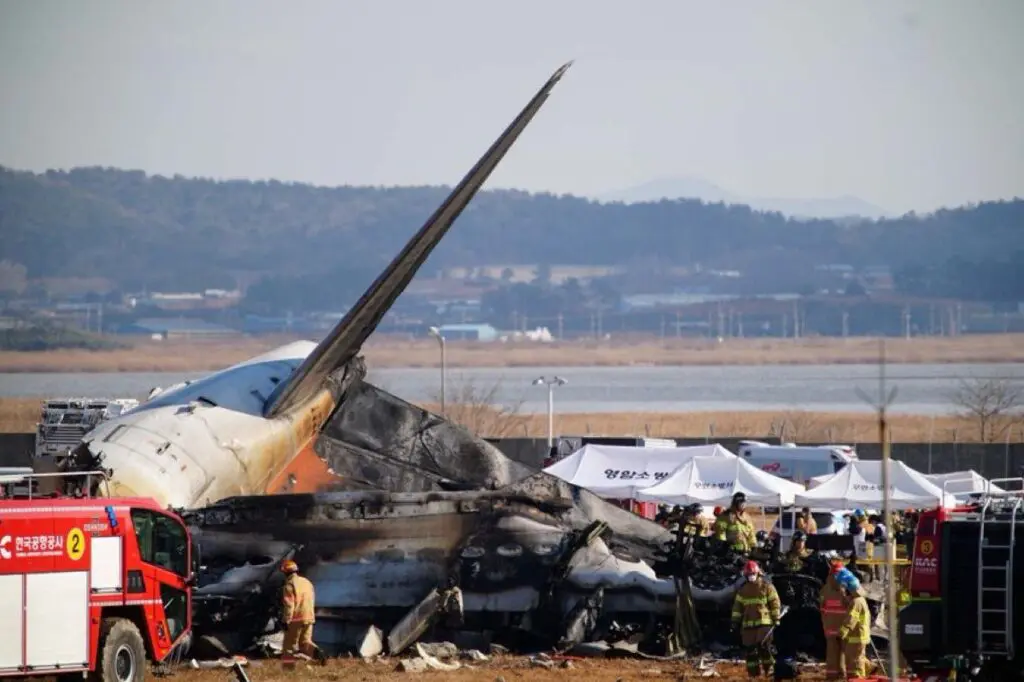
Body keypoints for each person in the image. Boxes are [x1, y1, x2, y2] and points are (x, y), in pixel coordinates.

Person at [731, 560, 782, 679]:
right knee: (751, 652)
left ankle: (770, 671)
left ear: (758, 573)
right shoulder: (743, 590)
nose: (751, 577)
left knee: (764, 648)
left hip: (764, 623)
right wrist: (735, 621)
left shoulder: (766, 587)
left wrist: (776, 618)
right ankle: (753, 674)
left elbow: (775, 603)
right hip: (748, 625)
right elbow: (737, 607)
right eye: (748, 575)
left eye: (752, 574)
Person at [280, 559, 326, 663]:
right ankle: (320, 654)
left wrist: (286, 620)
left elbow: (289, 605)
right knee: (305, 642)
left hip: (296, 618)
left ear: (286, 572)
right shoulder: (307, 582)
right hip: (309, 616)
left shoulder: (289, 585)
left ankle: (288, 670)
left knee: (289, 647)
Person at [837, 568, 871, 679]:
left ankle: (858, 678)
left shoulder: (856, 602)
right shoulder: (860, 600)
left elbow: (851, 619)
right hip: (861, 635)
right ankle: (871, 667)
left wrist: (842, 632)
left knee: (855, 661)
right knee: (860, 657)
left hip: (856, 637)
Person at [819, 560, 848, 680]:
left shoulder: (824, 589)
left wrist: (825, 624)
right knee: (845, 653)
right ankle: (842, 674)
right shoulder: (845, 588)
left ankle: (832, 675)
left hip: (830, 626)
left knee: (832, 653)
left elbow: (822, 608)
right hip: (843, 626)